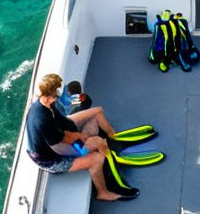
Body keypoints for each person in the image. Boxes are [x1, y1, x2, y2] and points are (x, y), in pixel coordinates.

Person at [25, 73, 135, 202]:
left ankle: (113, 138)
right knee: (97, 157)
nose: (57, 97)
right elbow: (62, 143)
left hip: (59, 135)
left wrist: (80, 134)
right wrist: (83, 140)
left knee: (97, 112)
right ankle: (103, 191)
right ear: (47, 96)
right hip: (52, 158)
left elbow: (62, 121)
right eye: (55, 95)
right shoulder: (41, 119)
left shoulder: (47, 104)